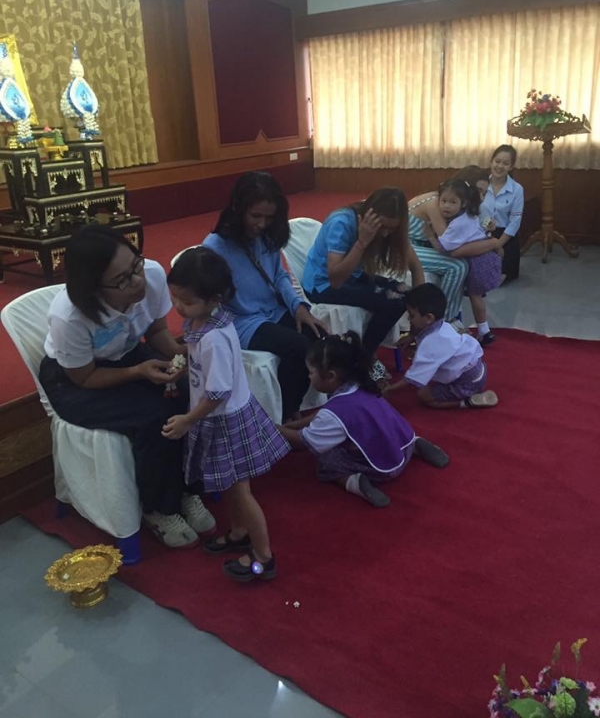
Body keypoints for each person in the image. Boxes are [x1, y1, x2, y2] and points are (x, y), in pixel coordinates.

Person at [39, 225, 215, 549]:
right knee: (154, 415)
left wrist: (183, 355)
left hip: (128, 354)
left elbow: (156, 332)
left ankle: (186, 489)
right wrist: (137, 372)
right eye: (122, 280)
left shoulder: (153, 275)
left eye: (136, 266)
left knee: (189, 393)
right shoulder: (69, 316)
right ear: (93, 288)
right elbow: (84, 378)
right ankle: (158, 508)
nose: (137, 281)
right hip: (74, 380)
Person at [163, 247, 290, 583]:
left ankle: (263, 556)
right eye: (174, 298)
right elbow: (205, 367)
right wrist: (185, 368)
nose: (178, 307)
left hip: (225, 420)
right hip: (221, 415)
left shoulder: (214, 339)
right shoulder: (207, 321)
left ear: (214, 299)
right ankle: (238, 532)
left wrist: (187, 420)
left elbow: (217, 393)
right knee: (233, 487)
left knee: (241, 491)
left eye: (187, 301)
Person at [202, 171, 327, 422]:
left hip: (272, 311)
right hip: (241, 322)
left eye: (269, 217)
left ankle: (292, 404)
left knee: (319, 337)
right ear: (237, 208)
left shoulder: (267, 236)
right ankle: (286, 415)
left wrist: (299, 307)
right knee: (298, 346)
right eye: (255, 216)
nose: (261, 224)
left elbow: (280, 276)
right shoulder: (215, 247)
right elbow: (209, 300)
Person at [278, 332, 449, 507]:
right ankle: (416, 444)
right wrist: (296, 424)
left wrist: (275, 428)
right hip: (404, 444)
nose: (308, 376)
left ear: (330, 376)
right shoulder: (360, 385)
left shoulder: (333, 413)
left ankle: (353, 481)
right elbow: (326, 413)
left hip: (381, 468)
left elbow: (304, 442)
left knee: (325, 459)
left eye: (311, 372)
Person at [302, 188, 424, 357]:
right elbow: (335, 280)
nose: (385, 233)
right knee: (393, 302)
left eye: (391, 228)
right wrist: (361, 242)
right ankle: (364, 356)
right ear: (370, 215)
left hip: (354, 276)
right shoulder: (341, 222)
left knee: (404, 292)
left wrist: (416, 330)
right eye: (382, 226)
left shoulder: (391, 228)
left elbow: (416, 267)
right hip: (322, 285)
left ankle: (364, 353)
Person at [385, 283, 498, 409]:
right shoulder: (442, 325)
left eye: (411, 315)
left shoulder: (431, 343)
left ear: (428, 317)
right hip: (479, 369)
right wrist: (411, 336)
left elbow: (412, 379)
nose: (408, 319)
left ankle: (467, 402)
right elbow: (419, 330)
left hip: (468, 382)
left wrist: (390, 389)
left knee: (423, 395)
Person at [425, 171, 502, 346]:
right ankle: (484, 330)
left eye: (452, 202)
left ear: (463, 202)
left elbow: (445, 249)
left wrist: (430, 236)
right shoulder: (469, 213)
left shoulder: (459, 223)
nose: (446, 206)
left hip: (477, 260)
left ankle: (484, 331)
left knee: (475, 296)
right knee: (477, 296)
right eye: (443, 201)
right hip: (484, 257)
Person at [407, 186, 469, 327]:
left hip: (419, 246)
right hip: (403, 246)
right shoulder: (434, 203)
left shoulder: (457, 207)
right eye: (479, 191)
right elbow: (448, 245)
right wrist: (493, 244)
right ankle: (442, 320)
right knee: (458, 266)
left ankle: (451, 318)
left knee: (463, 264)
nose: (447, 205)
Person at [479, 144, 524, 282]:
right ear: (491, 161)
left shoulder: (517, 189)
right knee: (480, 274)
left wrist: (498, 244)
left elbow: (515, 222)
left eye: (505, 163)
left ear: (511, 167)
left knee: (499, 278)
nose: (500, 166)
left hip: (505, 236)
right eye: (497, 161)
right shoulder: (481, 184)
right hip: (481, 233)